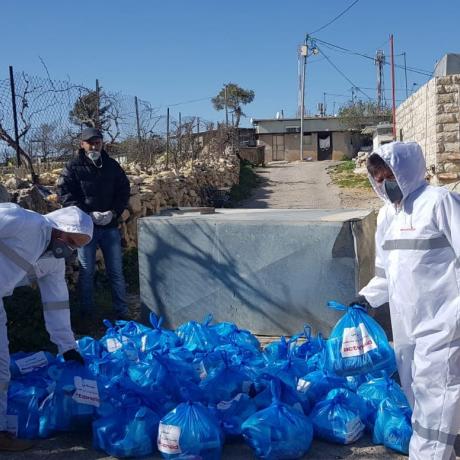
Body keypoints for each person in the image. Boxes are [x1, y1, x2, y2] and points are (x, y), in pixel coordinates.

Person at [354, 141, 460, 459]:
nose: (383, 182)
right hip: (406, 328)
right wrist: (365, 298)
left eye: (388, 174)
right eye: (377, 176)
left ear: (406, 171)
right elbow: (386, 273)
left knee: (436, 395)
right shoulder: (388, 217)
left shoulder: (440, 202)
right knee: (417, 393)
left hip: (443, 322)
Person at [0, 204, 93, 451]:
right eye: (72, 242)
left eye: (77, 247)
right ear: (59, 230)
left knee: (1, 370)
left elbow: (56, 303)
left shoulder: (53, 260)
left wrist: (68, 347)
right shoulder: (22, 221)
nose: (71, 250)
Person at [57, 127, 131, 320]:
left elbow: (124, 190)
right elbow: (64, 193)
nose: (94, 146)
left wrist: (114, 212)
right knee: (86, 272)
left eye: (97, 142)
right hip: (85, 230)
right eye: (90, 142)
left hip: (109, 227)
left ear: (102, 143)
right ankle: (87, 315)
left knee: (116, 271)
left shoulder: (112, 165)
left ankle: (122, 313)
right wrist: (87, 214)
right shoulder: (72, 167)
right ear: (82, 144)